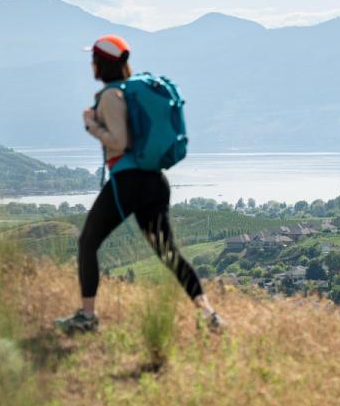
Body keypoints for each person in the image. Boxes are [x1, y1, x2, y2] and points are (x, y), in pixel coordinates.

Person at [55, 34, 223, 334]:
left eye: (93, 58)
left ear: (101, 63)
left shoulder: (109, 96)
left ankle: (87, 317)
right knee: (168, 252)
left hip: (128, 182)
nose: (90, 64)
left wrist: (91, 124)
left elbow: (120, 141)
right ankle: (209, 315)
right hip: (156, 182)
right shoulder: (130, 92)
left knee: (87, 242)